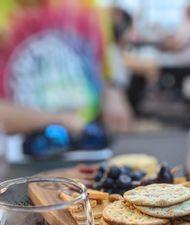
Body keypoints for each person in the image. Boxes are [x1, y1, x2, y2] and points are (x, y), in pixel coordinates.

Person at [0, 0, 133, 136]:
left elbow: (104, 70)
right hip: (18, 145)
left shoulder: (91, 8)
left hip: (87, 140)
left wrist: (112, 93)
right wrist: (58, 121)